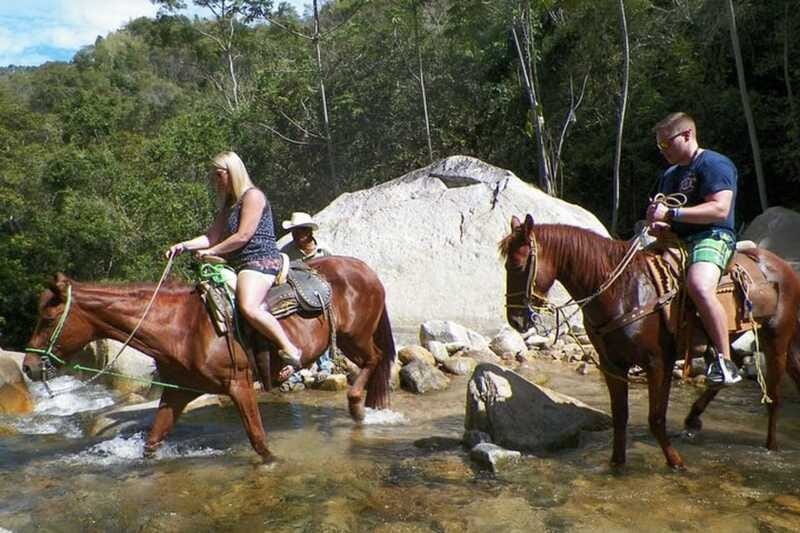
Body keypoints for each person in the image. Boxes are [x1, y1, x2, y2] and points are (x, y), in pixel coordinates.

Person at [166, 151, 302, 371]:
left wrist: (213, 250)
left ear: (232, 172)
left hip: (260, 260)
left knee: (248, 306)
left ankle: (290, 349)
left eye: (218, 175)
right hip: (238, 263)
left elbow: (243, 235)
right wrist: (183, 246)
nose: (215, 181)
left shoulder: (253, 196)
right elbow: (211, 236)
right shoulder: (230, 205)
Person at [646, 112, 741, 386]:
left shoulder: (714, 164)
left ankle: (725, 361)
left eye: (666, 144)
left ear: (687, 135)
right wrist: (658, 224)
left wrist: (672, 214)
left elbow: (720, 209)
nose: (663, 150)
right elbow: (666, 215)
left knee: (698, 285)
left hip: (711, 235)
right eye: (659, 146)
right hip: (676, 239)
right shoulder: (669, 175)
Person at [279, 211, 334, 387]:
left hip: (320, 296)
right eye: (293, 232)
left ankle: (325, 365)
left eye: (299, 231)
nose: (295, 235)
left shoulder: (323, 250)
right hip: (298, 297)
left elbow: (332, 272)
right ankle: (299, 367)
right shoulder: (286, 251)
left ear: (309, 232)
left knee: (323, 326)